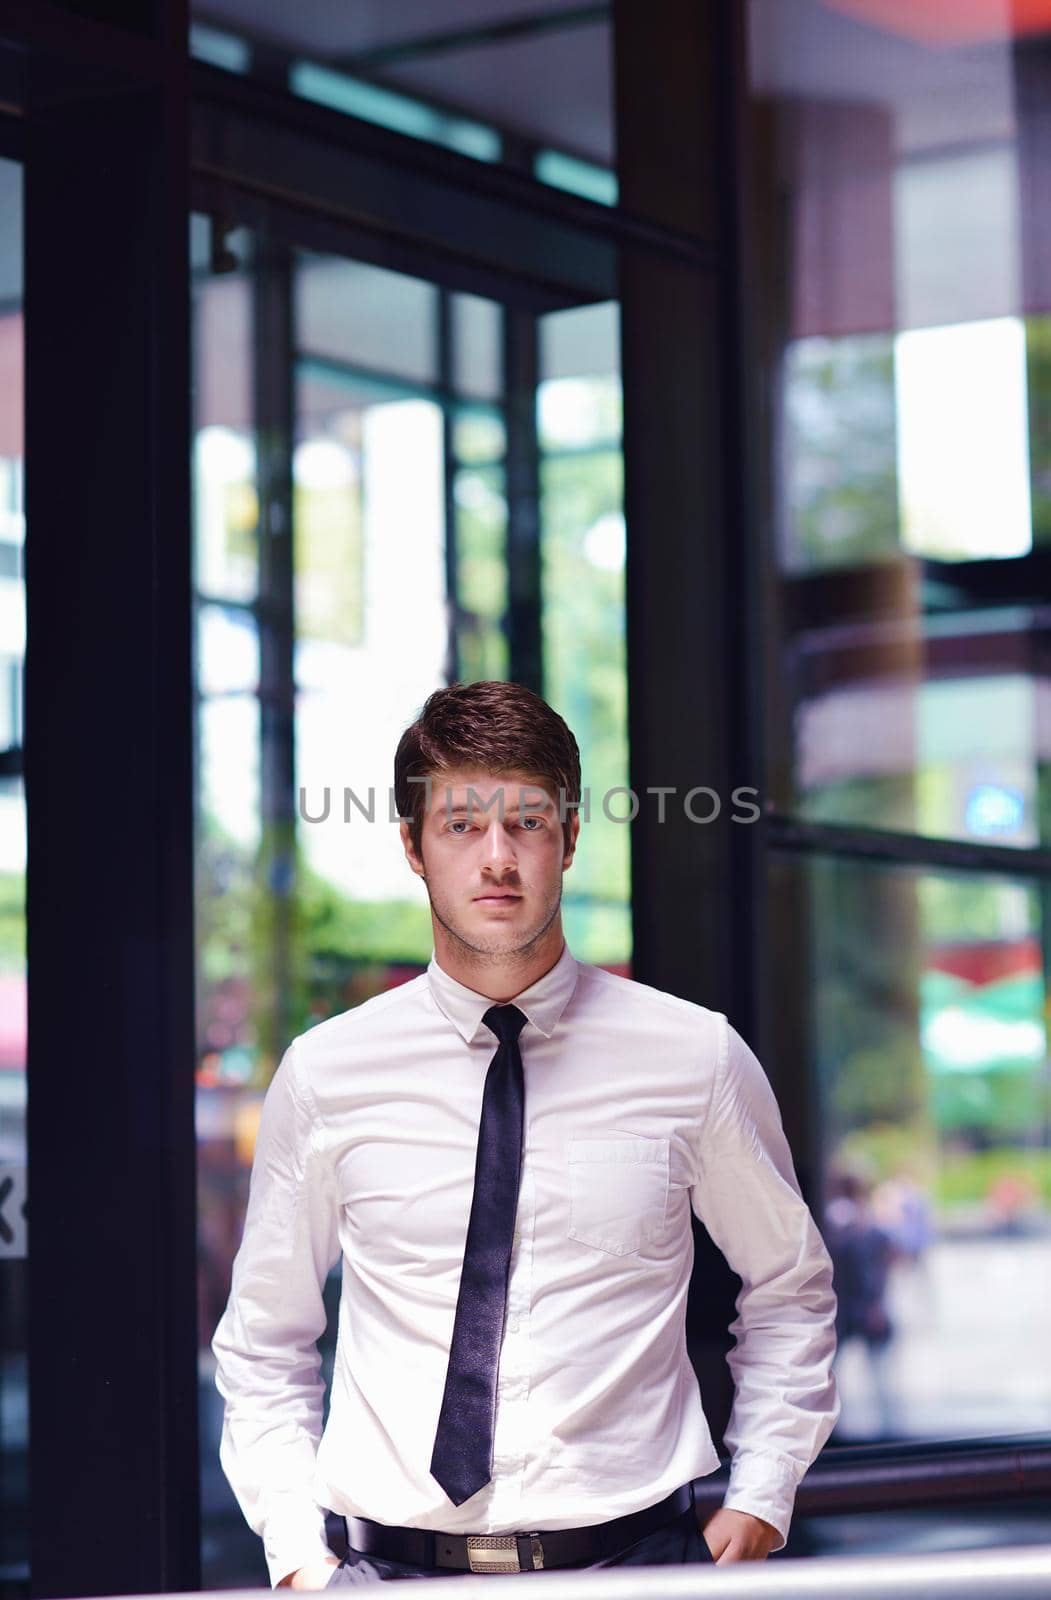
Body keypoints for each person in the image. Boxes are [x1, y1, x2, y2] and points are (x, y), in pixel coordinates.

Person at [212, 680, 840, 1586]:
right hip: (387, 1574)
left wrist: (761, 1494)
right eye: (462, 825)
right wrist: (296, 1556)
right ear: (413, 848)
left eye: (528, 823)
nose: (496, 858)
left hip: (634, 1566)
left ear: (570, 838)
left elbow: (790, 1285)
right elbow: (264, 1335)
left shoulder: (692, 1055)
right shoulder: (326, 1073)